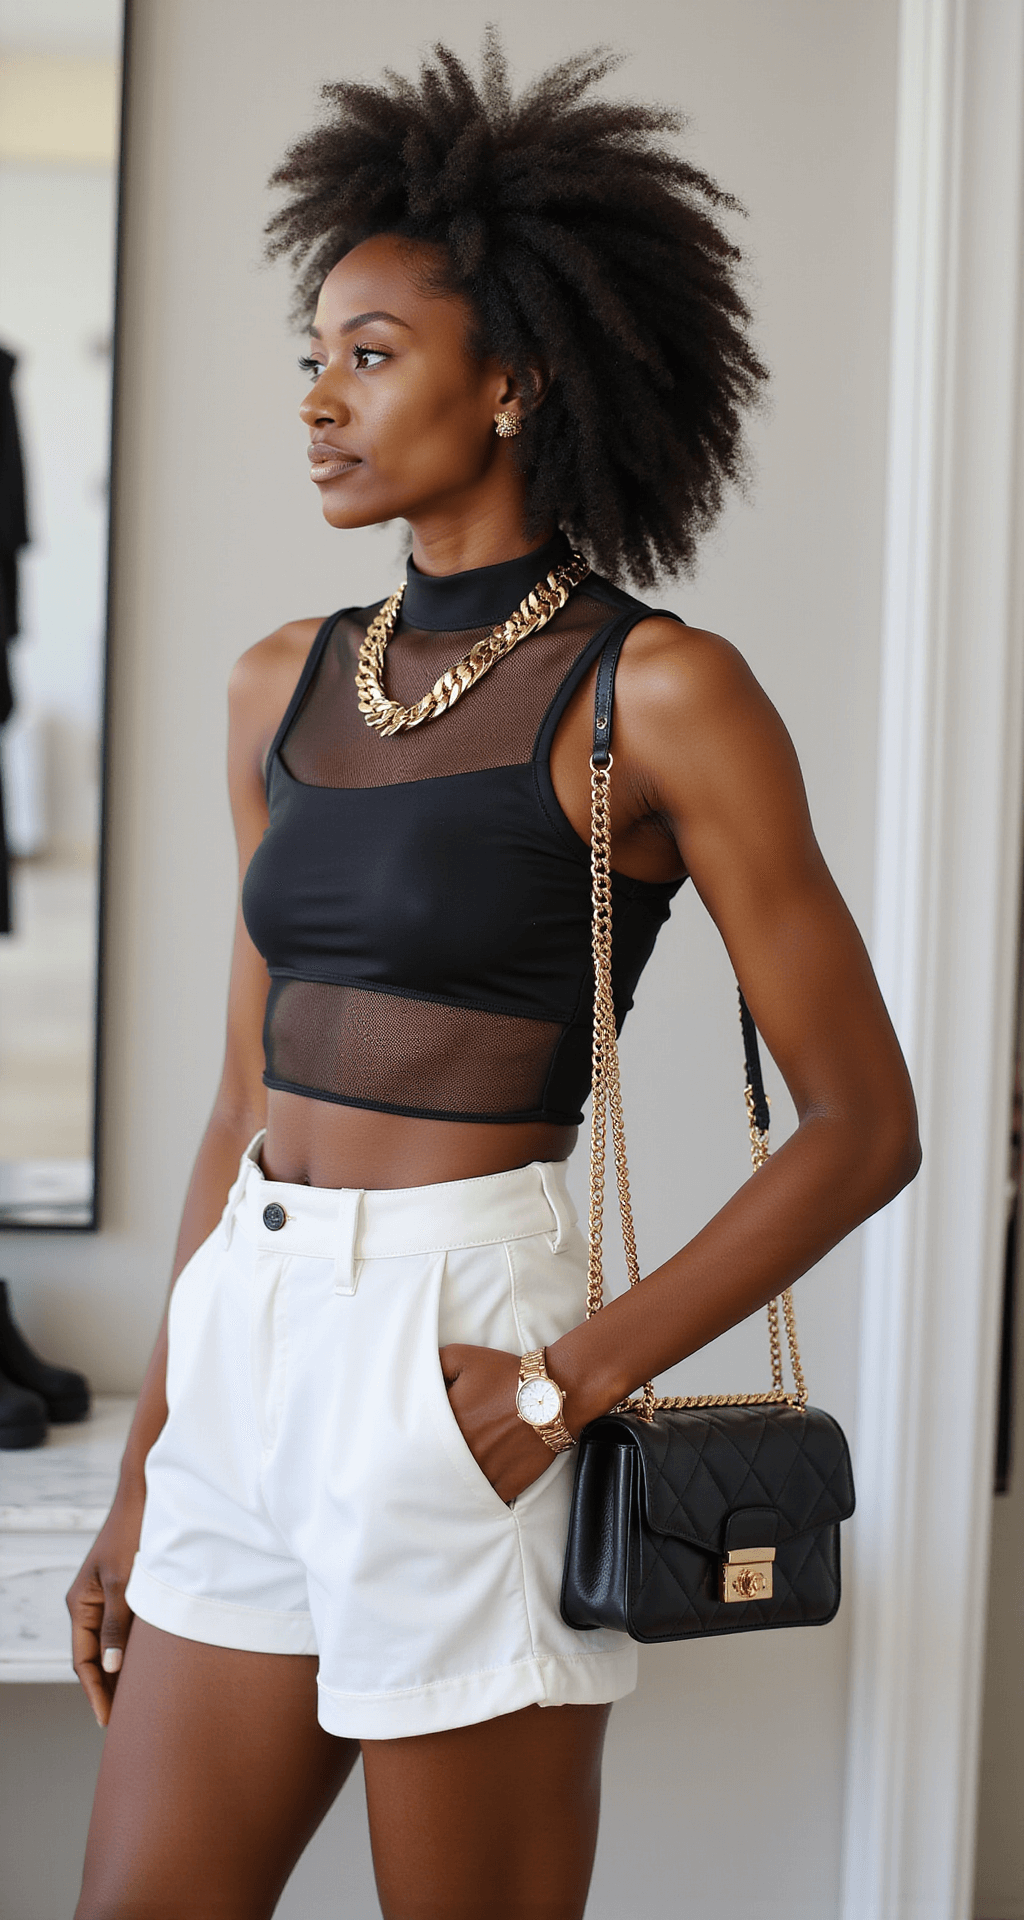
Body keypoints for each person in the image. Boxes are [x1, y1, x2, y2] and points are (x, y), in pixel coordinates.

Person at [68, 38, 919, 1920]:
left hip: (467, 1334)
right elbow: (239, 1099)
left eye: (371, 355)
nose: (318, 399)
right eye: (315, 352)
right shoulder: (279, 682)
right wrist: (152, 1470)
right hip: (252, 1337)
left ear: (518, 377)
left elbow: (866, 1127)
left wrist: (568, 1383)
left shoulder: (661, 694)